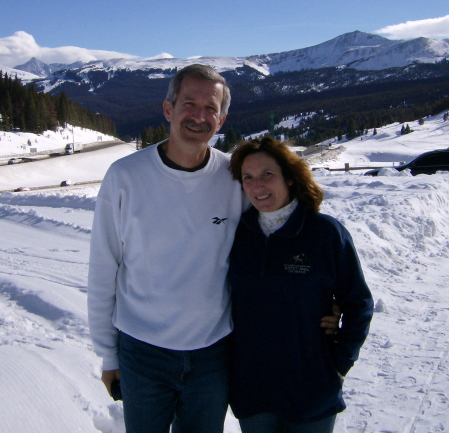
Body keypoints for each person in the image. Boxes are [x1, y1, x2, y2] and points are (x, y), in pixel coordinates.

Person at [87, 64, 340, 433]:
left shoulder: (234, 179)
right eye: (189, 103)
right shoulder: (125, 176)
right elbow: (102, 270)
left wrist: (322, 295)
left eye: (211, 108)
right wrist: (108, 354)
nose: (199, 115)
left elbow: (277, 238)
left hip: (214, 355)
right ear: (168, 109)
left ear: (221, 120)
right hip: (143, 353)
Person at [228, 136, 374, 433]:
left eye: (268, 174)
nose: (258, 186)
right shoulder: (236, 235)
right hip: (253, 391)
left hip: (310, 391)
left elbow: (358, 303)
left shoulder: (324, 233)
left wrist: (339, 363)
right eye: (248, 177)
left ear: (290, 178)